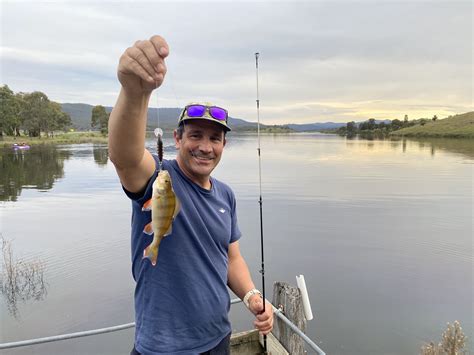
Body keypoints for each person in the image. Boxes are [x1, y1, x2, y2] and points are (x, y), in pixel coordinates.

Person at [108, 35, 273, 354]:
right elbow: (125, 156)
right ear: (177, 138)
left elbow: (231, 257)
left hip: (217, 337)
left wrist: (252, 296)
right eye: (195, 135)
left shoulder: (226, 195)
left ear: (224, 145)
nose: (205, 147)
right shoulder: (159, 176)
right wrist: (134, 93)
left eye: (215, 138)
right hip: (162, 347)